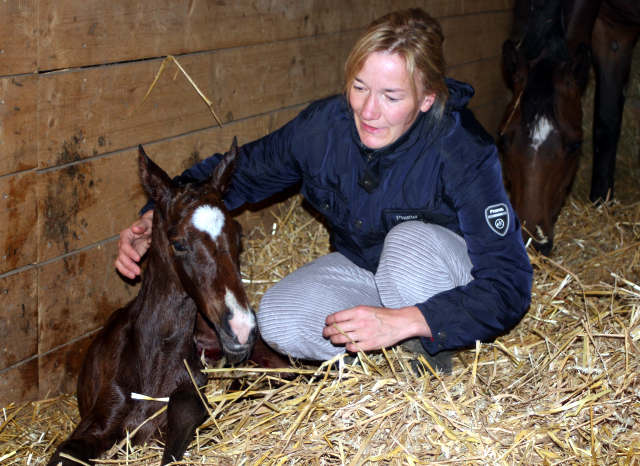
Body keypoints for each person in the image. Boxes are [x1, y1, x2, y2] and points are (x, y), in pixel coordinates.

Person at [116, 8, 533, 372]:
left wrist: (409, 320)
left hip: (438, 279)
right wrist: (158, 214)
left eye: (391, 96)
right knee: (279, 320)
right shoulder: (323, 129)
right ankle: (387, 364)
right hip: (365, 268)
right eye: (359, 87)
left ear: (426, 99)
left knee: (406, 247)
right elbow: (241, 173)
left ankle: (427, 352)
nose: (368, 111)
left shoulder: (462, 150)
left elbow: (508, 286)